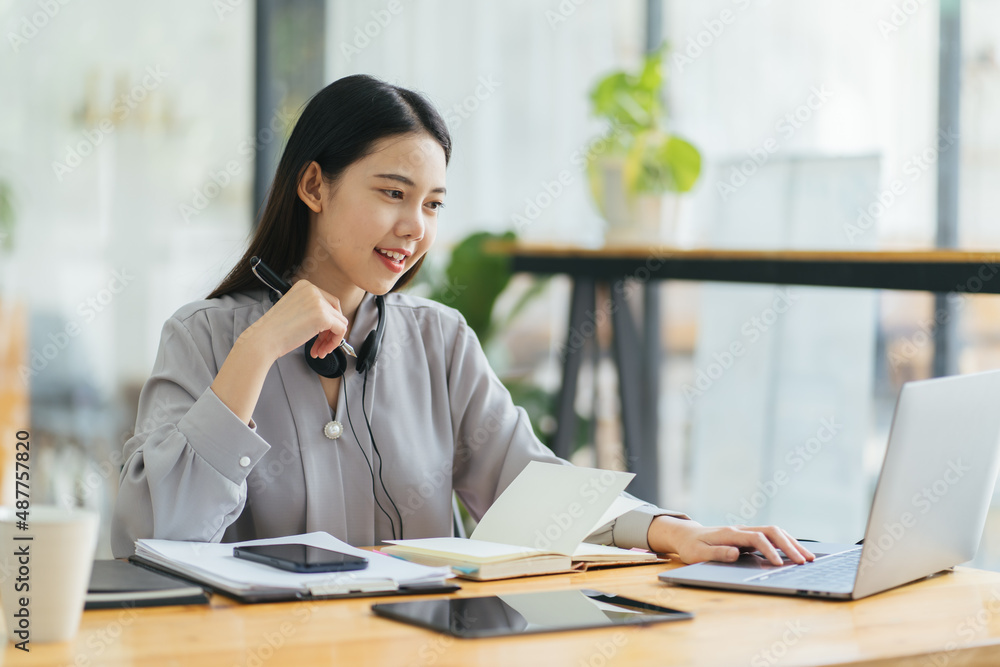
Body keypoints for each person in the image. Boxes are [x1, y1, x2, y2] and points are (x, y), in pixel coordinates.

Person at [111, 74, 814, 567]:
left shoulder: (438, 339)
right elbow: (157, 534)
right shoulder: (203, 336)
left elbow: (532, 484)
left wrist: (670, 531)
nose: (413, 227)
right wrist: (260, 347)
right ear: (314, 185)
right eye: (393, 193)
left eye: (434, 204)